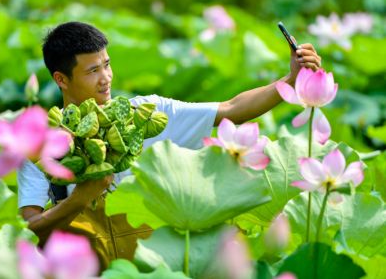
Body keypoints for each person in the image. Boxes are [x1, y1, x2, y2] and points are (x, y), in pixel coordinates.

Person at [18, 21, 321, 269]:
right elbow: (30, 233)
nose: (106, 78)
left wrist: (291, 80)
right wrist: (80, 199)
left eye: (107, 65)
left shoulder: (148, 114)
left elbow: (231, 109)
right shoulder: (39, 144)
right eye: (92, 71)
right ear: (61, 79)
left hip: (158, 271)